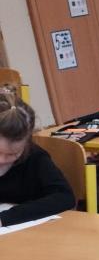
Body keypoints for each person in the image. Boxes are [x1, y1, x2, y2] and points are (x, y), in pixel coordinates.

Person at [0, 92, 74, 227]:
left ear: (26, 142)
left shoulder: (35, 158)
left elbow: (64, 197)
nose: (2, 160)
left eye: (12, 154)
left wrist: (4, 218)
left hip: (31, 231)